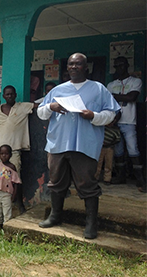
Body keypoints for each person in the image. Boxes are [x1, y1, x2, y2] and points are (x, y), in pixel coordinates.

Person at [37, 52, 120, 239]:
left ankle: (91, 223)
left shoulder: (98, 89)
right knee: (56, 182)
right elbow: (41, 113)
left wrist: (94, 116)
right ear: (67, 68)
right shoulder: (57, 90)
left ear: (86, 67)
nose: (74, 67)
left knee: (87, 184)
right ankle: (55, 215)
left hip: (85, 144)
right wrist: (51, 107)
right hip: (58, 143)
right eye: (71, 64)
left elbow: (112, 114)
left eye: (78, 64)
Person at [0, 85, 34, 214]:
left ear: (15, 95)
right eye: (7, 94)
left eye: (12, 94)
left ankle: (19, 204)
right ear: (3, 96)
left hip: (14, 151)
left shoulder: (22, 107)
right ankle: (0, 207)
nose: (9, 96)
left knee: (15, 178)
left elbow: (36, 106)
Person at [107, 56, 147, 192]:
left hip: (129, 121)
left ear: (127, 65)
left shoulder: (136, 81)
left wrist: (113, 96)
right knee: (118, 151)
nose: (119, 68)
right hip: (114, 121)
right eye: (117, 65)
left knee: (133, 150)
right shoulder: (111, 84)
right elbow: (108, 102)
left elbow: (132, 97)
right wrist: (119, 97)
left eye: (122, 65)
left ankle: (141, 180)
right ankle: (121, 176)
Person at [0, 144, 22, 229]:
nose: (4, 156)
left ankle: (7, 229)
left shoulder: (12, 167)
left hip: (6, 193)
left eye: (6, 154)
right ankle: (0, 226)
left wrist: (14, 195)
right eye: (2, 154)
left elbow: (16, 182)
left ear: (10, 155)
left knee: (7, 212)